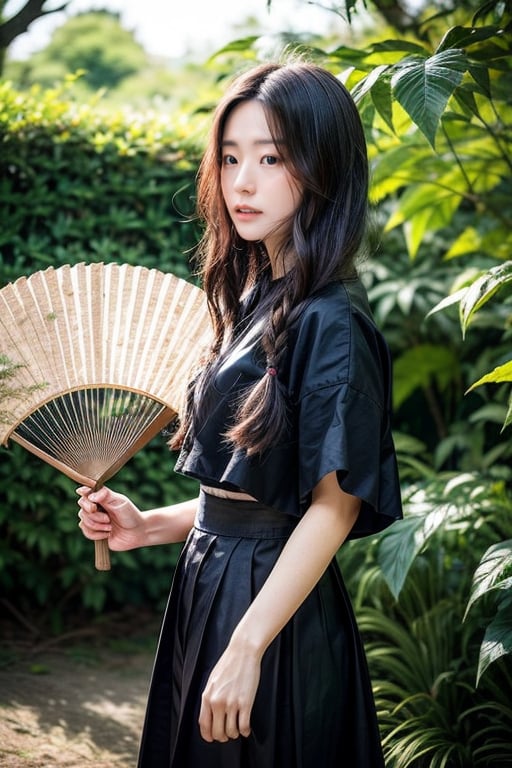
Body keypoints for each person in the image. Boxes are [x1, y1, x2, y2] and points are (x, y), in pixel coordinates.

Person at [77, 60, 403, 768]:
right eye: (229, 158)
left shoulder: (332, 321)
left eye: (271, 158)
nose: (241, 182)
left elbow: (333, 506)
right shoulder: (260, 297)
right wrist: (147, 527)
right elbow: (244, 497)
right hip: (210, 580)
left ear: (322, 166)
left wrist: (248, 644)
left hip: (270, 610)